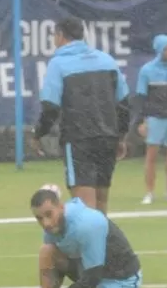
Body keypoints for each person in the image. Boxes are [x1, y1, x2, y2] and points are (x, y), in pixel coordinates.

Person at [30, 16, 131, 215]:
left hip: (79, 140)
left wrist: (38, 134)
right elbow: (124, 104)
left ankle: (92, 246)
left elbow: (50, 107)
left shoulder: (58, 64)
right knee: (101, 204)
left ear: (60, 36)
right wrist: (120, 136)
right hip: (107, 138)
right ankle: (103, 246)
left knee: (84, 208)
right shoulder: (107, 60)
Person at [22, 188, 148, 288]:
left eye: (49, 214)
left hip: (120, 276)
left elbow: (93, 278)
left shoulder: (87, 225)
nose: (46, 223)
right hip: (90, 268)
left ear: (61, 207)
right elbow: (54, 267)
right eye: (39, 218)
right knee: (47, 251)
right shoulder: (52, 226)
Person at [133, 34, 167, 204]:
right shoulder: (147, 70)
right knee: (151, 157)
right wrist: (141, 121)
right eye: (166, 49)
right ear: (158, 50)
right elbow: (141, 98)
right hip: (155, 118)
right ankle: (149, 192)